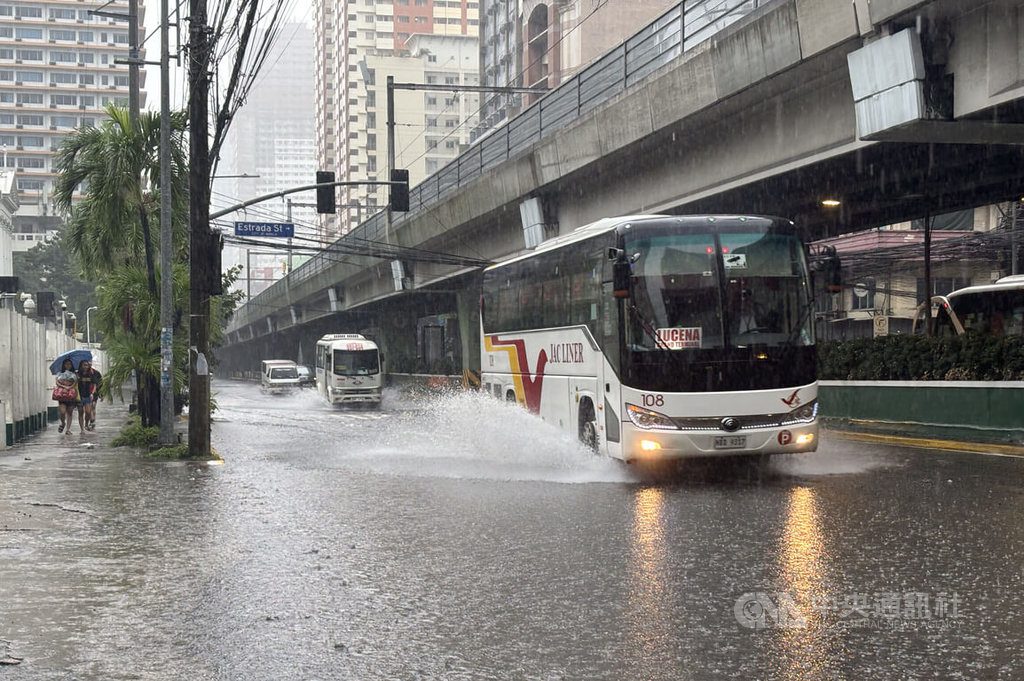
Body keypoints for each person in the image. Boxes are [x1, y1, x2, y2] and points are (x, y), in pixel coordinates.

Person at [53, 358, 80, 434]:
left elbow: (75, 383)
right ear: (64, 365)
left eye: (69, 364)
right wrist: (64, 387)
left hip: (71, 394)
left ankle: (68, 429)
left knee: (70, 412)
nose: (68, 365)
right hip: (62, 394)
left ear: (71, 365)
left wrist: (70, 387)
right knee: (62, 411)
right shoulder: (59, 373)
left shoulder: (74, 374)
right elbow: (57, 382)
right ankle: (63, 423)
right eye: (66, 364)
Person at [76, 360, 102, 432]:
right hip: (79, 396)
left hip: (88, 395)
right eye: (84, 365)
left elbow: (94, 385)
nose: (85, 366)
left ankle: (86, 424)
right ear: (81, 366)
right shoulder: (77, 374)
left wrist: (92, 393)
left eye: (87, 365)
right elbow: (74, 385)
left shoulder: (91, 374)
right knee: (80, 412)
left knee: (88, 412)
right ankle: (82, 429)